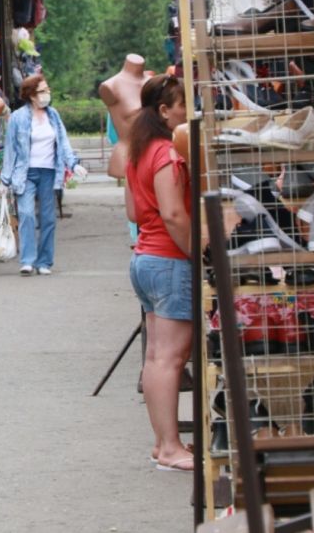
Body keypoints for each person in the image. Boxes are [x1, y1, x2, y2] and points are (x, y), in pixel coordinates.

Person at [124, 74, 192, 472]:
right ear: (165, 111)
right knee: (170, 358)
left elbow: (136, 213)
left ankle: (163, 443)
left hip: (144, 259)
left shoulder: (139, 151)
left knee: (155, 357)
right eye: (184, 104)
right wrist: (195, 253)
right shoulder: (166, 154)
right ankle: (169, 446)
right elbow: (173, 213)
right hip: (168, 261)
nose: (189, 110)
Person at [0, 74, 85, 275]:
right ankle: (28, 260)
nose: (47, 94)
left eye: (47, 90)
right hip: (25, 173)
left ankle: (45, 261)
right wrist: (5, 180)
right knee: (27, 214)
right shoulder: (18, 117)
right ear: (31, 95)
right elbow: (10, 149)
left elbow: (63, 142)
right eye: (42, 91)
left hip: (49, 172)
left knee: (48, 218)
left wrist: (73, 164)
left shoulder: (53, 115)